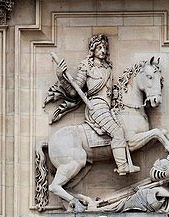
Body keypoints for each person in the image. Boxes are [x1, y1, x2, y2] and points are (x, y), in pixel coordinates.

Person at [54, 34, 140, 176]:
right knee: (118, 132)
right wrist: (60, 77)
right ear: (93, 49)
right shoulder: (86, 66)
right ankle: (123, 166)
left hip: (108, 107)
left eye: (104, 48)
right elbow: (74, 92)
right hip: (96, 106)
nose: (102, 51)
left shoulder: (108, 68)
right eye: (99, 47)